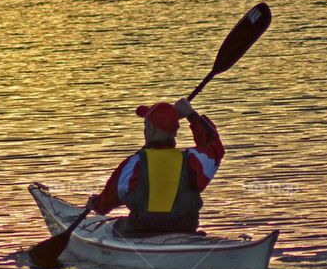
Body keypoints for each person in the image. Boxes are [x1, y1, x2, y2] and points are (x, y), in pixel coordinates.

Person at [88, 98, 225, 236]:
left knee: (116, 226)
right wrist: (191, 114)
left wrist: (95, 203)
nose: (145, 130)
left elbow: (105, 204)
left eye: (146, 126)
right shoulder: (194, 161)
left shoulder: (133, 164)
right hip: (185, 230)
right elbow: (214, 145)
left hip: (140, 233)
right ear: (175, 132)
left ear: (151, 129)